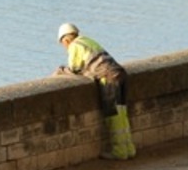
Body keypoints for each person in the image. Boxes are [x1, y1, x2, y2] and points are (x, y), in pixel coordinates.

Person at [55, 23, 136, 160]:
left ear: (66, 40)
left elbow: (74, 68)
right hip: (119, 74)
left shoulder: (75, 46)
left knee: (113, 115)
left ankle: (120, 152)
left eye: (63, 43)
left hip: (107, 77)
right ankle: (129, 149)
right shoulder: (87, 40)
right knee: (122, 113)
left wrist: (60, 71)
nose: (64, 47)